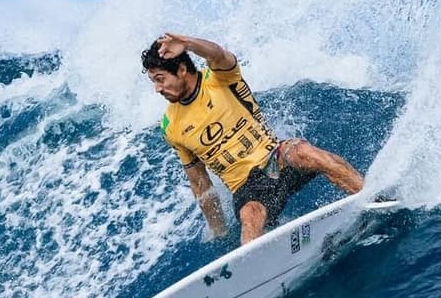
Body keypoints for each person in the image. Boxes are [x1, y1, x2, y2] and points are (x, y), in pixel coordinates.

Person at [142, 32, 365, 245]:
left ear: (181, 69)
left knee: (302, 151)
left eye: (160, 79)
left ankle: (369, 195)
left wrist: (188, 43)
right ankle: (257, 270)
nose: (157, 89)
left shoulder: (219, 78)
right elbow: (199, 182)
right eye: (153, 81)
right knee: (250, 214)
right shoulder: (171, 126)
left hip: (274, 159)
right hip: (246, 187)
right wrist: (218, 230)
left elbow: (218, 54)